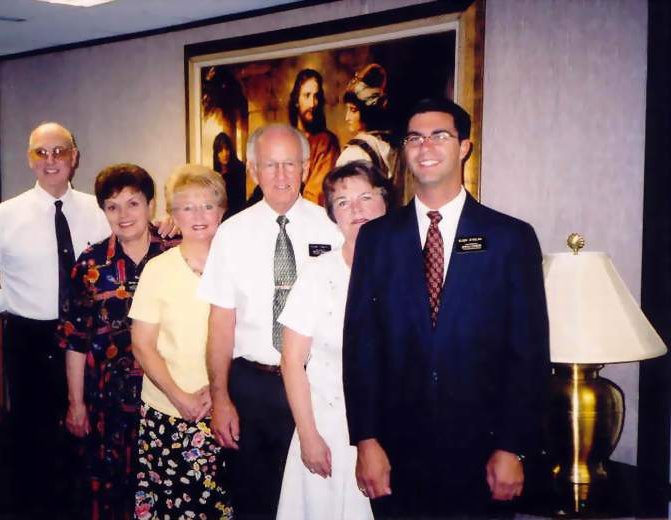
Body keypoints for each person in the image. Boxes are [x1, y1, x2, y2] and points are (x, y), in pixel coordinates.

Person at [343, 98, 550, 518]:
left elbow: (527, 354)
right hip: (397, 454)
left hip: (483, 454)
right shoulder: (377, 240)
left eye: (440, 135)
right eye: (415, 138)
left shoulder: (511, 238)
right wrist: (366, 440)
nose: (426, 146)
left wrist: (513, 447)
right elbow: (361, 347)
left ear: (464, 147)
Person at [0, 122, 111, 517]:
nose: (51, 160)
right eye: (42, 152)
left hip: (90, 340)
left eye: (60, 151)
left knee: (90, 435)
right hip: (32, 342)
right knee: (33, 439)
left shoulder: (100, 209)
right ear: (30, 159)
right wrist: (11, 303)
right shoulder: (4, 216)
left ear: (75, 157)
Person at [199, 124, 343, 518]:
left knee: (315, 497)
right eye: (270, 165)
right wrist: (221, 397)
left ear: (305, 166)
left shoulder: (332, 229)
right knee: (256, 499)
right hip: (253, 386)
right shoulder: (230, 234)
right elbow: (220, 323)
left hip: (318, 385)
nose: (280, 175)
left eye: (290, 164)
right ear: (253, 170)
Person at [276, 160, 394, 520]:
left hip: (395, 428)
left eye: (365, 197)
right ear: (333, 214)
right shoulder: (317, 274)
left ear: (386, 202)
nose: (356, 209)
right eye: (343, 202)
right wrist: (308, 436)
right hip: (327, 430)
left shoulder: (409, 268)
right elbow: (292, 361)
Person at [59, 163, 172, 519]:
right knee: (109, 493)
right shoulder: (90, 265)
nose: (123, 215)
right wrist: (76, 403)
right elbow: (75, 339)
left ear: (150, 204)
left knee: (164, 486)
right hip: (108, 402)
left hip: (168, 396)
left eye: (133, 203)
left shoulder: (178, 253)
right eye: (112, 206)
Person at [130, 164, 232, 519]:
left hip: (228, 408)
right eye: (187, 207)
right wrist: (181, 397)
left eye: (208, 205)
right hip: (170, 411)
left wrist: (217, 392)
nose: (198, 215)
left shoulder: (239, 265)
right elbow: (142, 344)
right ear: (173, 214)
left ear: (222, 211)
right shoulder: (158, 269)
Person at [336, 63, 404, 202]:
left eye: (353, 110)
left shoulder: (354, 154)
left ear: (367, 112)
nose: (347, 117)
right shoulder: (390, 146)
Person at [288, 69, 340, 206]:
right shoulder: (286, 141)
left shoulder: (326, 142)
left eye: (316, 96)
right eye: (307, 95)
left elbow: (317, 196)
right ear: (296, 100)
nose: (313, 104)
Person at [212, 132, 247, 219]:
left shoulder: (240, 169)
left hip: (237, 216)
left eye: (227, 149)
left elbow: (240, 201)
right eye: (220, 150)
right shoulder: (214, 174)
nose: (224, 154)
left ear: (231, 150)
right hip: (219, 217)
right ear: (216, 154)